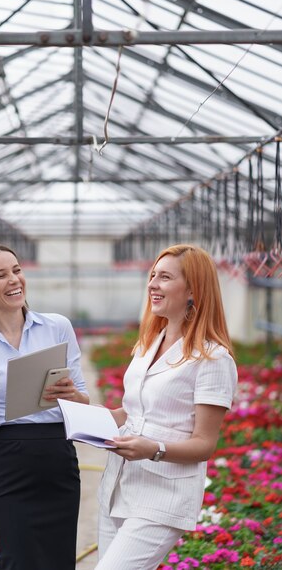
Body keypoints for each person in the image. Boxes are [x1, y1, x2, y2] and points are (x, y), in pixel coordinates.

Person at [96, 244, 238, 570]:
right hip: (117, 485)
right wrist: (83, 411)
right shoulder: (149, 343)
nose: (152, 285)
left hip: (163, 496)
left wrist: (153, 449)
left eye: (165, 277)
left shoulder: (213, 359)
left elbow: (204, 444)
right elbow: (132, 412)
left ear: (193, 290)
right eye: (152, 276)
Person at [0, 244, 89, 570]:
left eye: (16, 270)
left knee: (59, 562)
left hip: (57, 459)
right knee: (17, 561)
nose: (14, 280)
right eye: (1, 275)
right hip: (9, 464)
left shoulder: (57, 327)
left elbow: (85, 402)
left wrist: (71, 393)